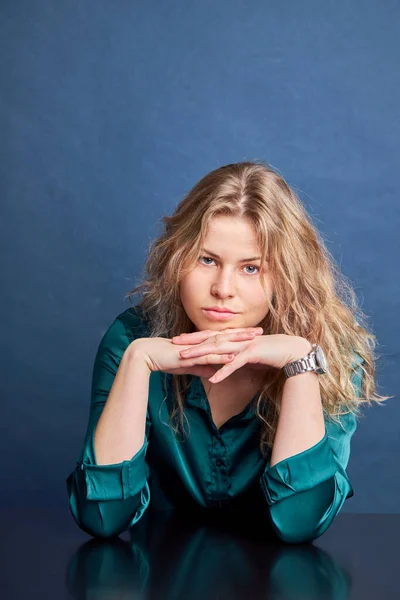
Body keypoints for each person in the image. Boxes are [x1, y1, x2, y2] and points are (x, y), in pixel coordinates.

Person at [66, 161, 390, 543]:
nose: (223, 288)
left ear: (286, 275)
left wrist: (299, 363)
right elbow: (103, 518)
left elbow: (299, 523)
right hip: (156, 578)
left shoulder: (329, 351)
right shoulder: (132, 340)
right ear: (176, 258)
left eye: (251, 268)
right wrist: (138, 363)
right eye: (207, 260)